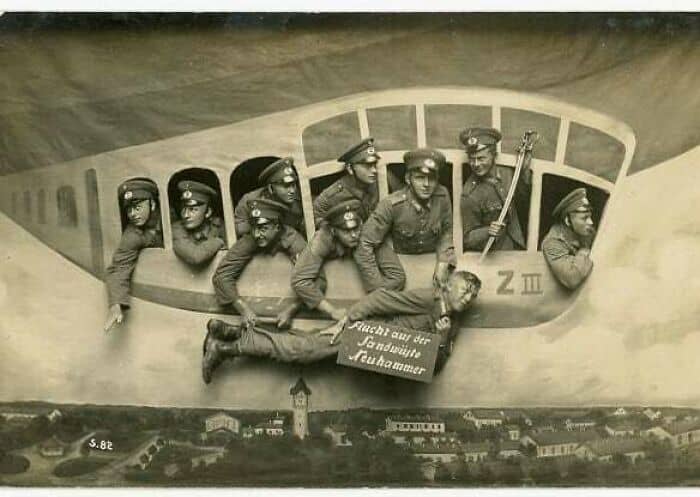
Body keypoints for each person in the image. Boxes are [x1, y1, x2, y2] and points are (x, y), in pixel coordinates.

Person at [202, 269, 481, 383]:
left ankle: (229, 332)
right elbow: (380, 299)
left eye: (472, 295)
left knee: (302, 344)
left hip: (374, 354)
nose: (468, 298)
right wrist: (347, 321)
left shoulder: (452, 323)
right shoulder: (429, 298)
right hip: (364, 336)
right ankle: (225, 348)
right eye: (464, 290)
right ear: (447, 287)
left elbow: (433, 368)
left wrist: (442, 337)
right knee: (300, 351)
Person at [354, 147, 455, 291]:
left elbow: (446, 232)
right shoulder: (392, 204)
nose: (426, 184)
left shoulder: (442, 196)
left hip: (429, 261)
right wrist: (376, 287)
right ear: (408, 179)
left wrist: (444, 261)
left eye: (432, 178)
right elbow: (363, 244)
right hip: (401, 261)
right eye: (419, 178)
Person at [313, 137, 406, 291]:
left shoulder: (384, 179)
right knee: (374, 284)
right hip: (350, 241)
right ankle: (377, 297)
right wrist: (341, 240)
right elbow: (316, 217)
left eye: (374, 164)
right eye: (367, 166)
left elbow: (402, 195)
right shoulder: (332, 195)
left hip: (374, 238)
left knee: (398, 278)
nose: (374, 170)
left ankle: (378, 297)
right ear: (350, 169)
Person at [212, 198, 310, 334]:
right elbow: (221, 276)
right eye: (254, 228)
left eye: (263, 229)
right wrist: (243, 309)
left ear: (277, 227)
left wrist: (292, 309)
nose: (257, 234)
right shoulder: (252, 238)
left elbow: (316, 278)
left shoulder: (294, 240)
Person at [103, 179, 163, 332]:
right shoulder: (132, 234)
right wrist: (116, 304)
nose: (132, 214)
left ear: (152, 204)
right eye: (129, 210)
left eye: (137, 207)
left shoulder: (169, 218)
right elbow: (119, 268)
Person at [291, 199, 364, 321]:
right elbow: (300, 281)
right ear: (333, 231)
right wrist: (332, 311)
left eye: (355, 228)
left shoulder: (364, 232)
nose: (353, 235)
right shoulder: (321, 239)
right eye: (346, 231)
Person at [460, 127, 532, 252]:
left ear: (494, 155)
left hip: (518, 244)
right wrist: (487, 231)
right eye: (472, 159)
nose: (476, 164)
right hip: (495, 252)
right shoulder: (469, 195)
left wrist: (525, 170)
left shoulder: (507, 173)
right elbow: (467, 239)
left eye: (481, 158)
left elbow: (523, 198)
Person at [234, 157, 304, 237]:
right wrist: (262, 220)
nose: (292, 191)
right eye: (286, 186)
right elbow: (238, 229)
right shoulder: (249, 200)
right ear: (270, 188)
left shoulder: (300, 199)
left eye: (293, 185)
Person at [542, 187, 596, 290]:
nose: (591, 222)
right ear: (567, 220)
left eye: (590, 216)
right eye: (584, 218)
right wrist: (584, 251)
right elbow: (571, 278)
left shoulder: (586, 230)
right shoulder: (552, 243)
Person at [171, 180, 225, 266]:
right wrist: (219, 241)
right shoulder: (176, 229)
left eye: (192, 209)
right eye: (183, 209)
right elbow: (195, 256)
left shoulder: (219, 226)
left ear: (208, 212)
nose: (185, 215)